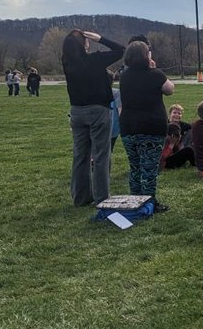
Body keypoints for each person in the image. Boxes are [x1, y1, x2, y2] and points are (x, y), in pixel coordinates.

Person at [62, 29, 124, 206]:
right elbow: (121, 50)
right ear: (85, 44)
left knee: (80, 155)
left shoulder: (67, 63)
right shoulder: (95, 60)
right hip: (98, 110)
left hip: (77, 111)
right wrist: (101, 38)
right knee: (101, 155)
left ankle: (80, 198)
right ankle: (102, 197)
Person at [118, 39, 175, 211]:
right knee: (149, 167)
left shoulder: (124, 76)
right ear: (146, 56)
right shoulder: (154, 74)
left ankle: (135, 199)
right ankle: (149, 202)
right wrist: (155, 68)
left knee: (135, 166)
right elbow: (170, 89)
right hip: (151, 127)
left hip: (128, 127)